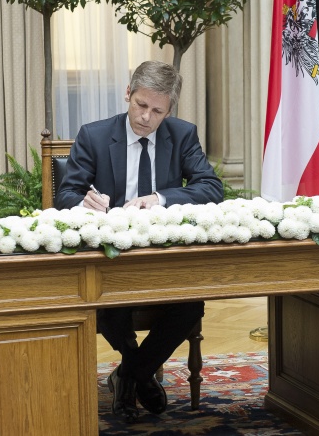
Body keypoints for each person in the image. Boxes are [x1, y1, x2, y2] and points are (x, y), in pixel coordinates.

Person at [55, 60, 223, 423]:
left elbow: (211, 188)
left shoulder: (182, 135)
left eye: (157, 110)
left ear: (169, 111)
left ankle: (129, 373)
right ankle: (138, 372)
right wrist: (84, 202)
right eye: (140, 105)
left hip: (162, 258)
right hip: (110, 258)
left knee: (190, 305)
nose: (146, 117)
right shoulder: (94, 136)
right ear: (128, 94)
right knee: (107, 303)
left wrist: (160, 198)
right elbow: (65, 194)